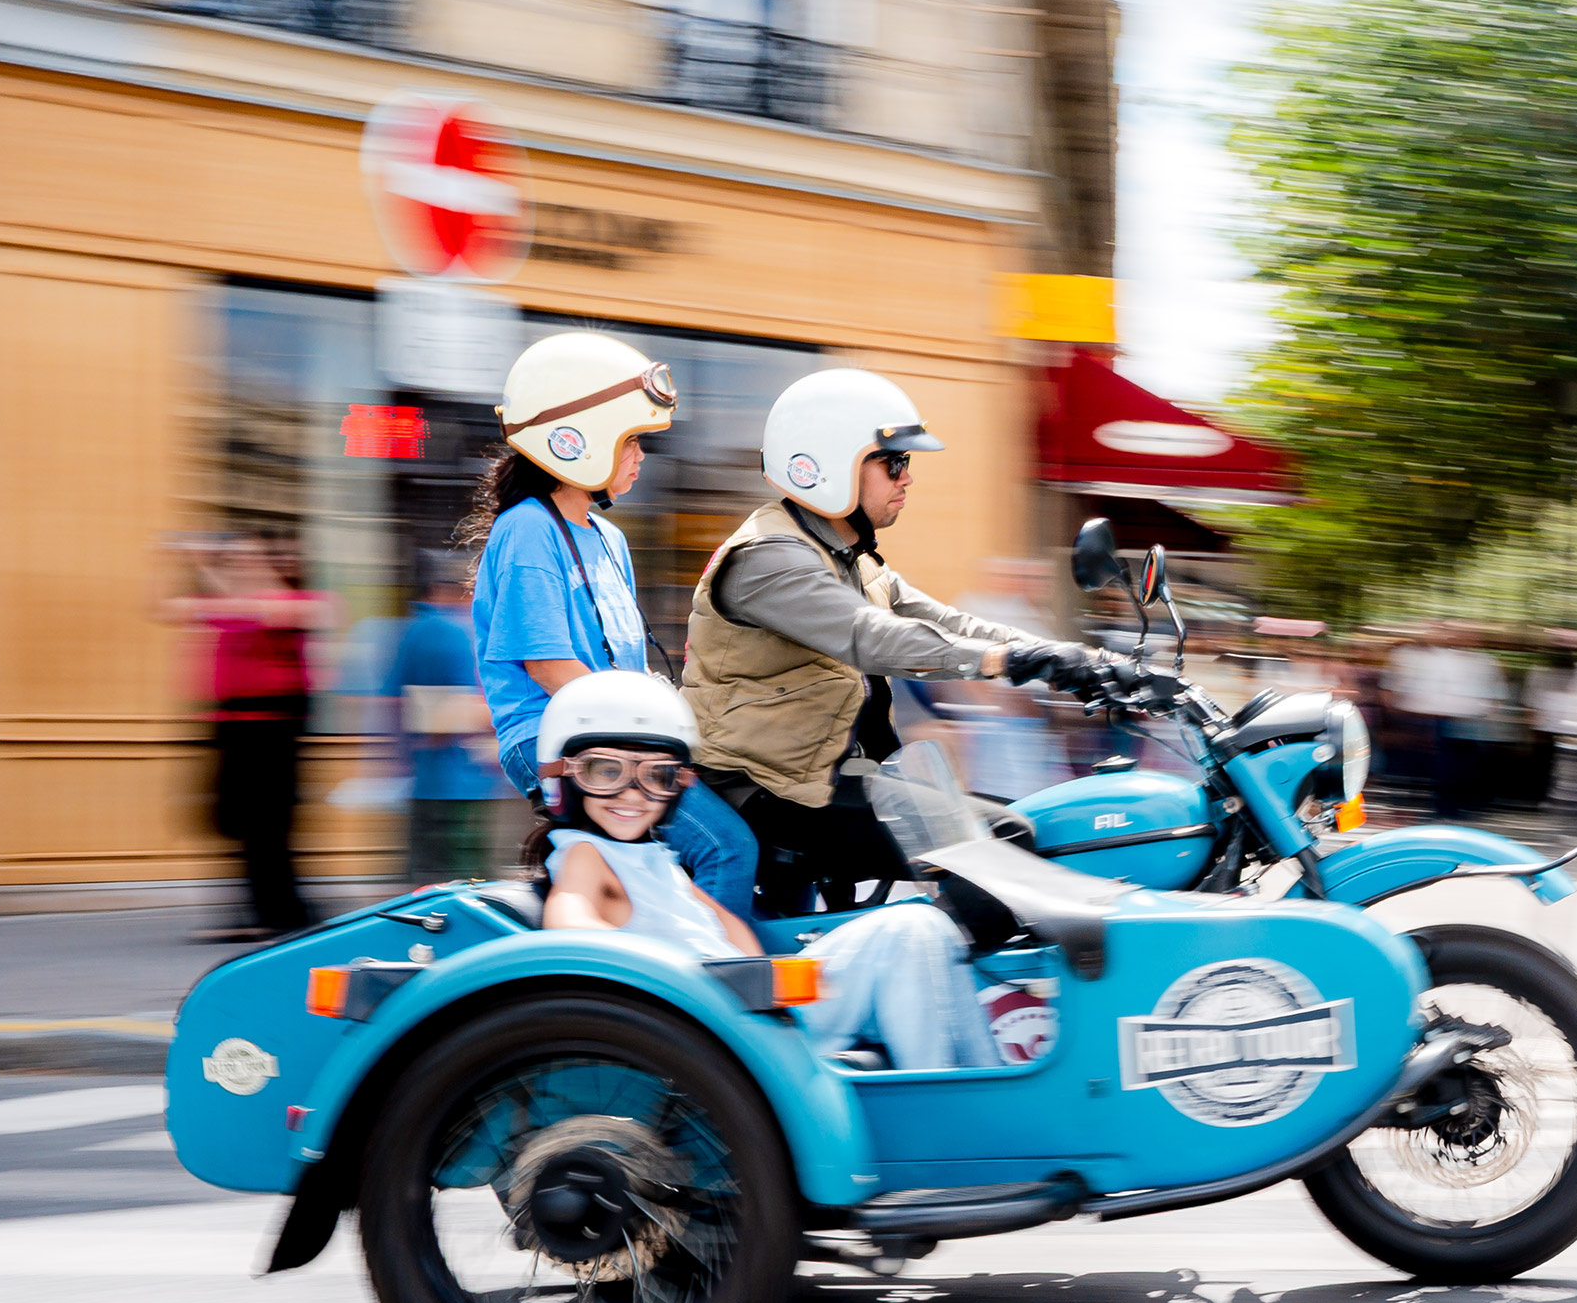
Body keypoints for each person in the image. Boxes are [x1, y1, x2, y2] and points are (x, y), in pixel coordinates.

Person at [682, 367, 1098, 914]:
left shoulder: (848, 558)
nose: (907, 478)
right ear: (829, 465)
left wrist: (1075, 658)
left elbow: (953, 623)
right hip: (767, 789)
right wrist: (1005, 660)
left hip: (829, 774)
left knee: (1036, 825)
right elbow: (871, 636)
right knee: (998, 840)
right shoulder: (769, 558)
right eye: (894, 462)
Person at [535, 672, 1000, 1070]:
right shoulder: (586, 855)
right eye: (605, 772)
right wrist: (686, 976)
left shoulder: (652, 855)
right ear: (565, 775)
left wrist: (757, 975)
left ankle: (981, 1085)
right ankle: (948, 1102)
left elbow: (727, 927)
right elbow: (569, 924)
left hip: (743, 1004)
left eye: (656, 776)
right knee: (910, 930)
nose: (633, 794)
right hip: (714, 1021)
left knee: (928, 928)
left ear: (679, 784)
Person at [459, 331, 759, 922]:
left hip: (617, 740)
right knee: (726, 849)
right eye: (631, 442)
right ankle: (709, 992)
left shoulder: (609, 538)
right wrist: (652, 735)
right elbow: (548, 666)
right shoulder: (528, 529)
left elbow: (621, 666)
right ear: (581, 441)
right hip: (553, 740)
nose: (641, 458)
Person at [163, 532, 332, 941]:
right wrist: (184, 561)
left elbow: (268, 609)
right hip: (232, 728)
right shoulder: (232, 608)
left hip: (272, 730)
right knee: (231, 821)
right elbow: (166, 609)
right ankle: (261, 910)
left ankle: (281, 913)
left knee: (267, 827)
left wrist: (243, 562)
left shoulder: (299, 603)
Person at [385, 550, 519, 883]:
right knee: (464, 874)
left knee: (429, 872)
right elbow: (460, 710)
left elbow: (395, 700)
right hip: (462, 778)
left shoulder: (415, 629)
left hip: (431, 778)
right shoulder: (453, 632)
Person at [1383, 622, 1505, 818]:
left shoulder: (1483, 660)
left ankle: (1455, 807)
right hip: (1440, 719)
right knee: (1442, 767)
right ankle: (1441, 808)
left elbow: (1493, 694)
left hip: (1467, 720)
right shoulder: (1443, 657)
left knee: (1460, 768)